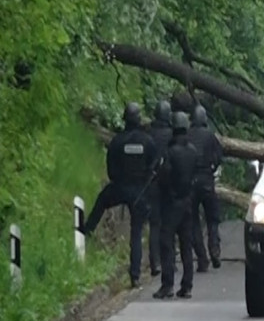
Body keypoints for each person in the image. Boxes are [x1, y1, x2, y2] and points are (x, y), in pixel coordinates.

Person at [84, 102, 158, 288]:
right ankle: (135, 276)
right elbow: (153, 167)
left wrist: (120, 182)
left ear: (125, 120)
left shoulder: (117, 141)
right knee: (136, 232)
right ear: (139, 119)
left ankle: (86, 232)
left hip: (120, 187)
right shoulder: (148, 141)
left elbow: (111, 170)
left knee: (101, 201)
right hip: (140, 192)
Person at [153, 112, 197, 300]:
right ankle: (187, 286)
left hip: (172, 204)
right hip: (188, 203)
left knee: (167, 243)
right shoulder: (193, 151)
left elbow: (164, 176)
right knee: (186, 245)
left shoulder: (169, 152)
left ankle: (167, 285)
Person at [188, 105, 224, 271]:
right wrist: (211, 168)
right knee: (213, 219)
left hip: (190, 183)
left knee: (193, 221)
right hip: (207, 181)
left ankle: (202, 259)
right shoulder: (210, 136)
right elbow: (219, 157)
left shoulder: (186, 135)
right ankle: (214, 247)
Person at [146, 100, 174, 277]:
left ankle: (154, 262)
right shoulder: (172, 135)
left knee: (154, 224)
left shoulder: (148, 134)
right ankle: (167, 261)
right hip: (169, 185)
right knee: (168, 224)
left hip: (151, 184)